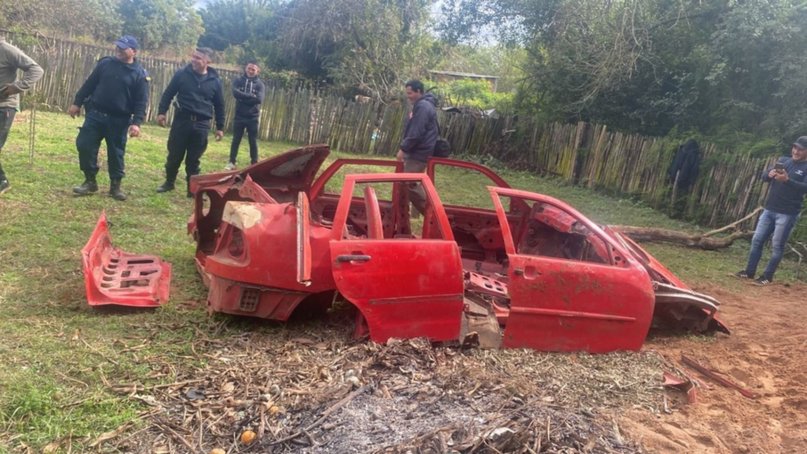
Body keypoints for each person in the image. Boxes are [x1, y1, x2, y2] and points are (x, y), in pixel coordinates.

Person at [69, 35, 149, 201]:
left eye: (123, 48)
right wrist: (77, 103)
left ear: (133, 51)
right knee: (84, 145)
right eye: (117, 47)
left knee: (116, 153)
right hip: (96, 114)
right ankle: (90, 181)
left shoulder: (139, 74)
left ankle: (115, 187)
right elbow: (89, 84)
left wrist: (137, 123)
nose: (118, 50)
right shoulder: (105, 64)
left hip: (119, 120)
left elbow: (141, 101)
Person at [736, 136, 807, 285]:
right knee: (757, 240)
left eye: (800, 149)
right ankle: (749, 272)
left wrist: (787, 180)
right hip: (769, 209)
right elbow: (764, 176)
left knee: (776, 246)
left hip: (787, 213)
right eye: (794, 147)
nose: (796, 151)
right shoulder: (784, 161)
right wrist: (768, 175)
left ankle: (767, 276)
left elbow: (804, 188)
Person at [155, 47, 225, 198]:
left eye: (198, 58)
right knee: (174, 154)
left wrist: (220, 127)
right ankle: (169, 182)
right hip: (182, 120)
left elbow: (219, 105)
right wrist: (162, 112)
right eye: (193, 56)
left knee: (194, 159)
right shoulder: (182, 74)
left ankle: (192, 190)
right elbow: (168, 93)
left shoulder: (215, 81)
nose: (194, 60)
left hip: (201, 124)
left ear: (208, 61)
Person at [0, 37, 43, 196]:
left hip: (4, 106)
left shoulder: (7, 50)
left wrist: (17, 87)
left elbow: (36, 70)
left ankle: (2, 181)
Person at [395, 80, 439, 214]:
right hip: (419, 151)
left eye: (410, 93)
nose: (408, 96)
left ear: (419, 91)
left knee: (407, 183)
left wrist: (403, 149)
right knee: (405, 183)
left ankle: (434, 215)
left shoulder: (423, 107)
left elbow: (416, 132)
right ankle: (404, 215)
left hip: (419, 153)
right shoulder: (422, 105)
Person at [225, 61, 265, 170]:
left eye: (253, 69)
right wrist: (250, 96)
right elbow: (234, 93)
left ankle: (254, 163)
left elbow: (259, 99)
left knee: (253, 140)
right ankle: (231, 162)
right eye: (249, 68)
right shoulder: (238, 80)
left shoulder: (260, 84)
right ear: (246, 68)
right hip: (239, 116)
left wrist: (242, 98)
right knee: (236, 139)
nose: (250, 71)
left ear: (257, 71)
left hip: (253, 117)